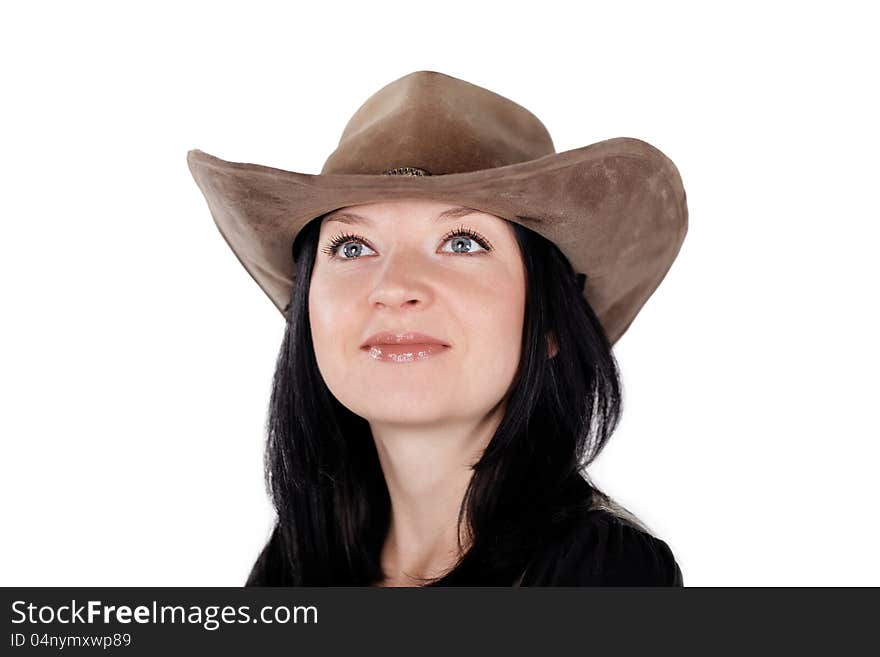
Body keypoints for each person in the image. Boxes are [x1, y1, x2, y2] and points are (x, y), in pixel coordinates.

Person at [186, 70, 688, 586]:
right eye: (353, 248)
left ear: (550, 325)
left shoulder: (607, 576)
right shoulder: (286, 573)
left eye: (462, 242)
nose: (394, 286)